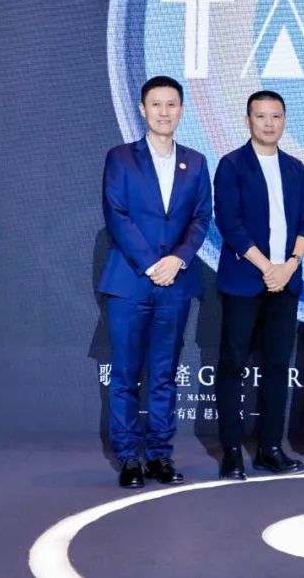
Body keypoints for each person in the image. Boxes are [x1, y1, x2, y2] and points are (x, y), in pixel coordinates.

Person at [98, 75, 212, 488]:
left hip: (175, 284)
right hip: (131, 282)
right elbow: (116, 213)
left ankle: (160, 455)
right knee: (126, 375)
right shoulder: (121, 158)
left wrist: (178, 260)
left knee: (164, 374)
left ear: (182, 110)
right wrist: (152, 264)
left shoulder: (195, 162)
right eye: (156, 104)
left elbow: (201, 217)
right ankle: (129, 458)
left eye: (172, 104)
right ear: (143, 109)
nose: (164, 112)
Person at [213, 90, 304, 480]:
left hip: (285, 284)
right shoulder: (231, 165)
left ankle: (270, 448)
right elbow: (230, 223)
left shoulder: (295, 168)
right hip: (245, 281)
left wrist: (289, 266)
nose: (269, 123)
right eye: (261, 116)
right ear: (248, 121)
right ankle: (232, 451)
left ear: (284, 120)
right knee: (233, 365)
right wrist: (266, 267)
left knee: (277, 366)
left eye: (276, 116)